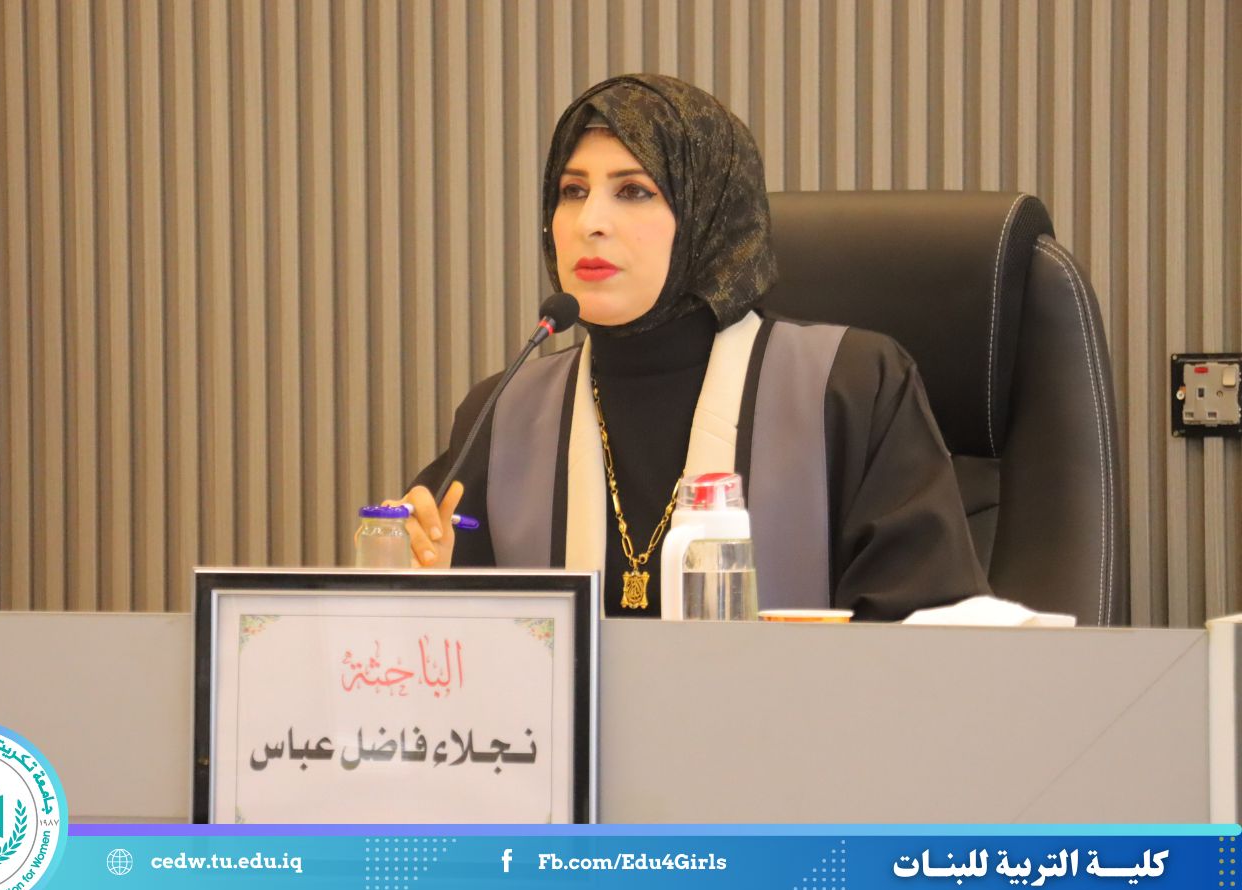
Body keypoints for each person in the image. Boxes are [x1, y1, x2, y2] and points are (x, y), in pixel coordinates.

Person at [398, 74, 989, 621]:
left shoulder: (852, 386)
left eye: (633, 191)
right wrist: (406, 579)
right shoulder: (505, 412)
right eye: (572, 191)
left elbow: (927, 640)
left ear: (709, 212)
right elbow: (449, 649)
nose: (589, 222)